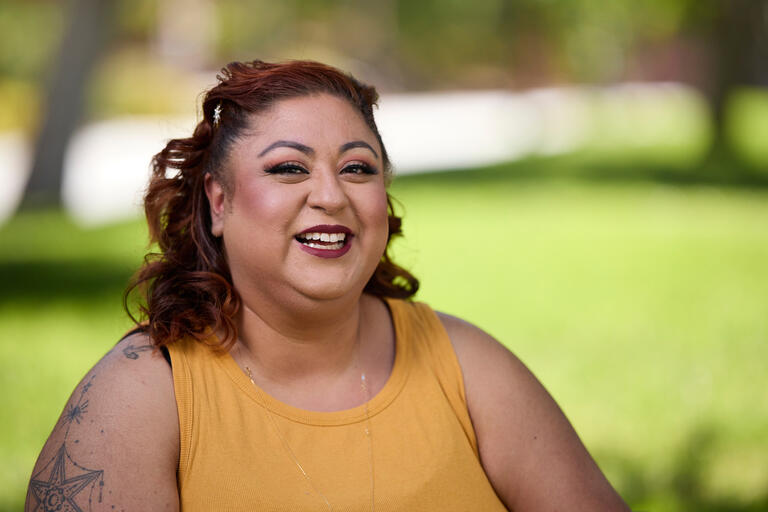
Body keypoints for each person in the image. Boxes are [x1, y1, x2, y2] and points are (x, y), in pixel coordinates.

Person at [26, 60, 630, 511]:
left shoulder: (468, 365)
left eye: (357, 168)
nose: (331, 195)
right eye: (288, 167)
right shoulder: (139, 394)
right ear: (218, 201)